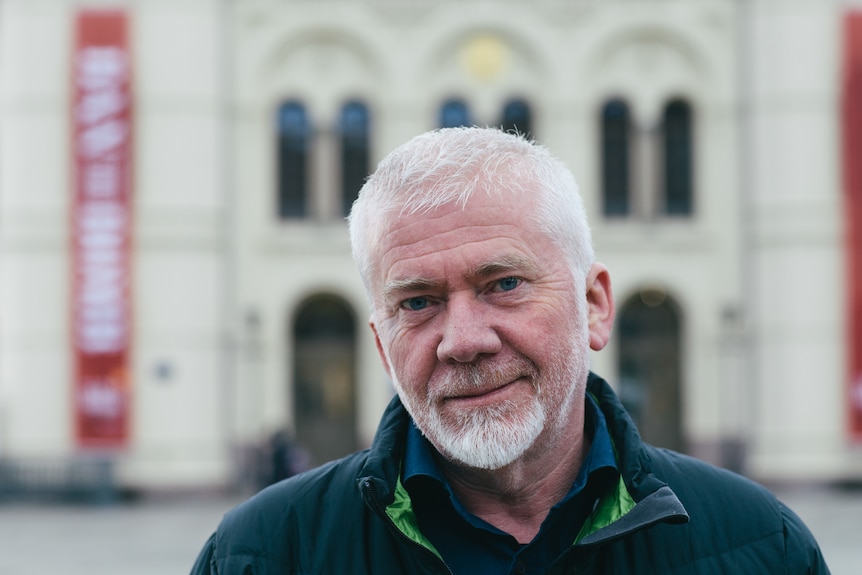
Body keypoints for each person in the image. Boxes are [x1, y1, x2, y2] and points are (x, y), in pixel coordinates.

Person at [191, 127, 829, 574]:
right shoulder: (259, 556)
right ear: (382, 348)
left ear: (595, 306)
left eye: (505, 285)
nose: (464, 341)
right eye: (417, 302)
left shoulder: (760, 545)